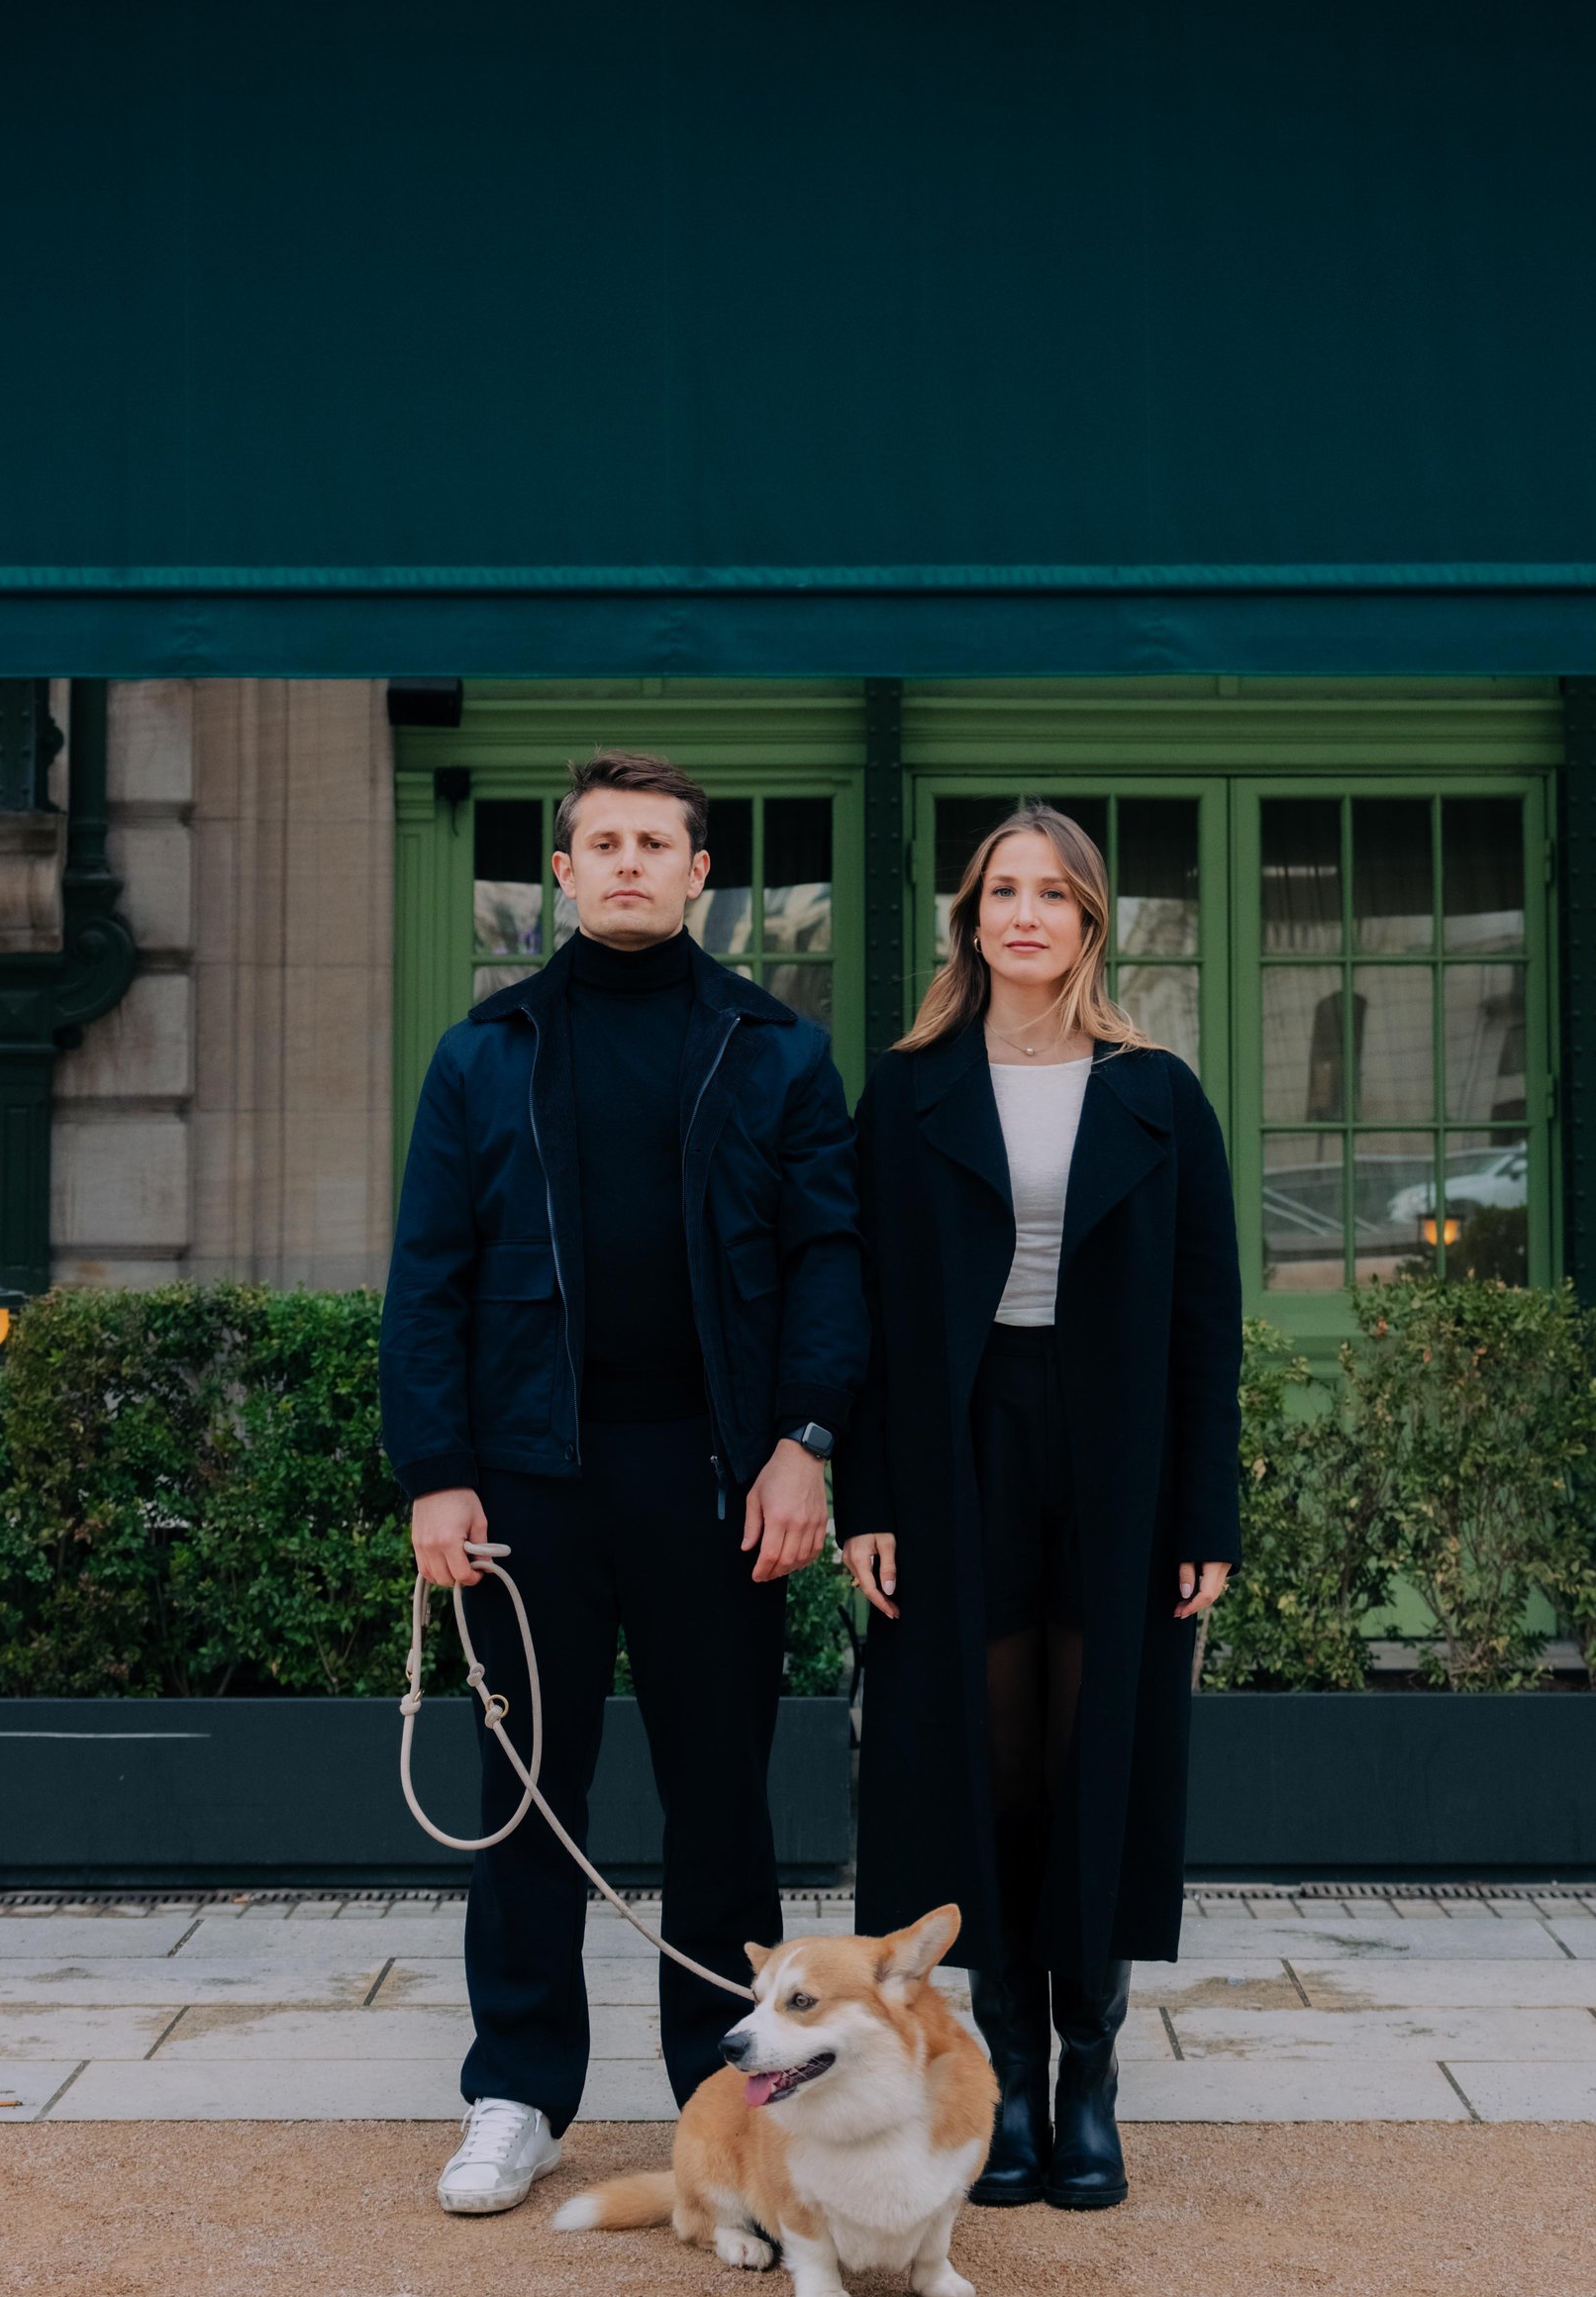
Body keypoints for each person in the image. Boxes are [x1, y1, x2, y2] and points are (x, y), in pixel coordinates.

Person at [381, 750, 866, 2216]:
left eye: (658, 844)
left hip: (718, 1481)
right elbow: (429, 1276)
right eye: (605, 844)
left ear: (700, 874)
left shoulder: (777, 1050)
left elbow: (828, 1262)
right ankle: (518, 2092)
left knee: (720, 1802)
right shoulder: (485, 1054)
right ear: (566, 873)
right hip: (531, 1482)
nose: (631, 864)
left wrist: (806, 1445)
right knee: (530, 1796)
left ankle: (730, 2110)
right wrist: (437, 1475)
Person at [838, 805, 1241, 2214]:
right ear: (971, 918)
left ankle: (1093, 2077)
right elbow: (863, 1314)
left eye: (1053, 893)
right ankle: (1005, 2073)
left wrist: (1206, 1514)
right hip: (961, 1441)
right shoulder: (908, 1092)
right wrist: (868, 1495)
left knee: (1097, 1756)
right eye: (1002, 890)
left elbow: (1206, 1321)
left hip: (1117, 1444)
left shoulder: (1157, 1093)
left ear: (1088, 923)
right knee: (986, 1760)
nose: (1025, 913)